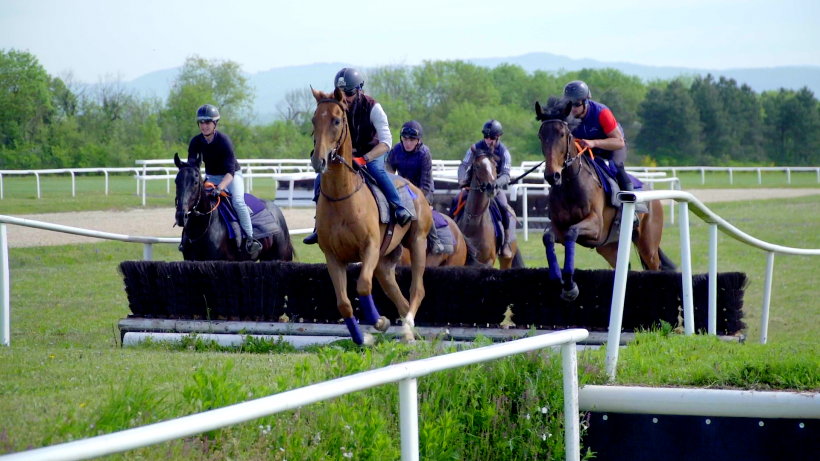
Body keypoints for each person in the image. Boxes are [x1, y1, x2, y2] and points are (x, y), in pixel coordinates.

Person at [303, 68, 412, 245]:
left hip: (373, 151)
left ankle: (398, 207)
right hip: (347, 154)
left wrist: (365, 159)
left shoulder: (373, 107)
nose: (344, 96)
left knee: (376, 170)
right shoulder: (335, 106)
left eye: (349, 92)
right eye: (341, 92)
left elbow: (386, 142)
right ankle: (319, 225)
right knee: (320, 178)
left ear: (359, 90)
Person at [183, 104, 262, 255]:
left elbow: (230, 173)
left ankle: (251, 240)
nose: (204, 126)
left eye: (207, 122)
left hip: (231, 175)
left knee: (238, 202)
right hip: (211, 176)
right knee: (195, 201)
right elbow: (192, 165)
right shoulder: (195, 142)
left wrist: (219, 188)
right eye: (201, 122)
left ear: (215, 124)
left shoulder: (224, 141)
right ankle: (186, 240)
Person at [455, 119, 515, 259]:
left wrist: (496, 183)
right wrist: (461, 179)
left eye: (492, 138)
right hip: (473, 187)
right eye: (486, 137)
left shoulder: (504, 152)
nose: (488, 140)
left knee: (503, 207)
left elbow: (506, 175)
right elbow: (463, 165)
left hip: (493, 190)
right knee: (455, 201)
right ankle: (452, 235)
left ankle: (505, 242)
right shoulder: (476, 148)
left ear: (498, 137)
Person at [386, 120, 444, 254]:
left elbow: (426, 181)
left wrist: (425, 200)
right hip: (402, 188)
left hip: (421, 190)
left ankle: (435, 240)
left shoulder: (424, 153)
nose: (408, 142)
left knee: (424, 211)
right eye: (405, 139)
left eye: (412, 139)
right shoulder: (396, 149)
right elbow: (388, 168)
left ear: (418, 140)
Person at [563, 80, 633, 191]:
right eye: (569, 104)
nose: (572, 108)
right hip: (587, 149)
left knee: (616, 166)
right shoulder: (566, 116)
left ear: (586, 102)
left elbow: (619, 142)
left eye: (576, 104)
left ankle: (633, 203)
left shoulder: (602, 113)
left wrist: (594, 143)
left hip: (613, 147)